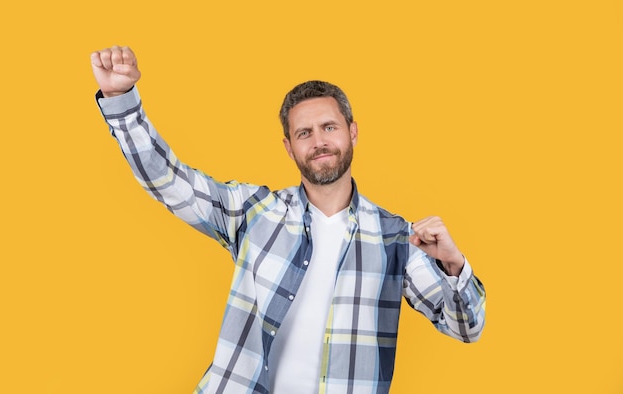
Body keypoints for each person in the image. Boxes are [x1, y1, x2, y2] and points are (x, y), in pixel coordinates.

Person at [91, 45, 486, 394]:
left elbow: (466, 328)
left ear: (352, 132)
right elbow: (170, 181)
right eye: (304, 133)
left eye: (329, 127)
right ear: (289, 147)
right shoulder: (255, 212)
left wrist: (452, 264)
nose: (319, 142)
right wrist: (121, 99)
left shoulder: (396, 238)